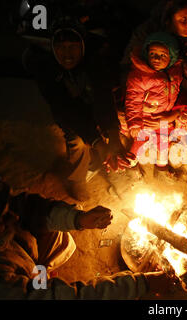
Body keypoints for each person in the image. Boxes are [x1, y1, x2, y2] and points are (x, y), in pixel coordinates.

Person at [0, 168, 175, 299]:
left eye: (7, 208)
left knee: (58, 236)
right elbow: (72, 297)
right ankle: (38, 281)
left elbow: (28, 207)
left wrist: (78, 219)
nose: (13, 217)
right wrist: (141, 283)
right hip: (15, 277)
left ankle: (39, 275)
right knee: (44, 289)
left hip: (20, 255)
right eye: (2, 220)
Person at [24, 17, 134, 201]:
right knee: (77, 141)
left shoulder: (94, 62)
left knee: (119, 129)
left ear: (82, 46)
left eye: (73, 46)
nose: (67, 53)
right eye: (61, 47)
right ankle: (77, 179)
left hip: (92, 102)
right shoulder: (47, 71)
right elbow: (66, 110)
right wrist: (98, 143)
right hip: (70, 113)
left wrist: (113, 136)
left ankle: (117, 168)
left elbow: (103, 97)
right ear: (53, 48)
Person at [120, 0, 187, 132]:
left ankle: (169, 131)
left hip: (176, 104)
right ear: (167, 21)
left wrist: (174, 114)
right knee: (125, 119)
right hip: (146, 102)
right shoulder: (146, 37)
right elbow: (131, 78)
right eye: (183, 20)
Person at [121, 32, 185, 167]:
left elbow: (180, 92)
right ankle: (131, 159)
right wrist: (135, 123)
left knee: (164, 140)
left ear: (171, 56)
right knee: (140, 137)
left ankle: (161, 165)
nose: (156, 58)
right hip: (145, 118)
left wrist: (173, 114)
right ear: (146, 54)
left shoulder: (175, 72)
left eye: (163, 55)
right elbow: (133, 101)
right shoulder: (141, 76)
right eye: (152, 54)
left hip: (164, 117)